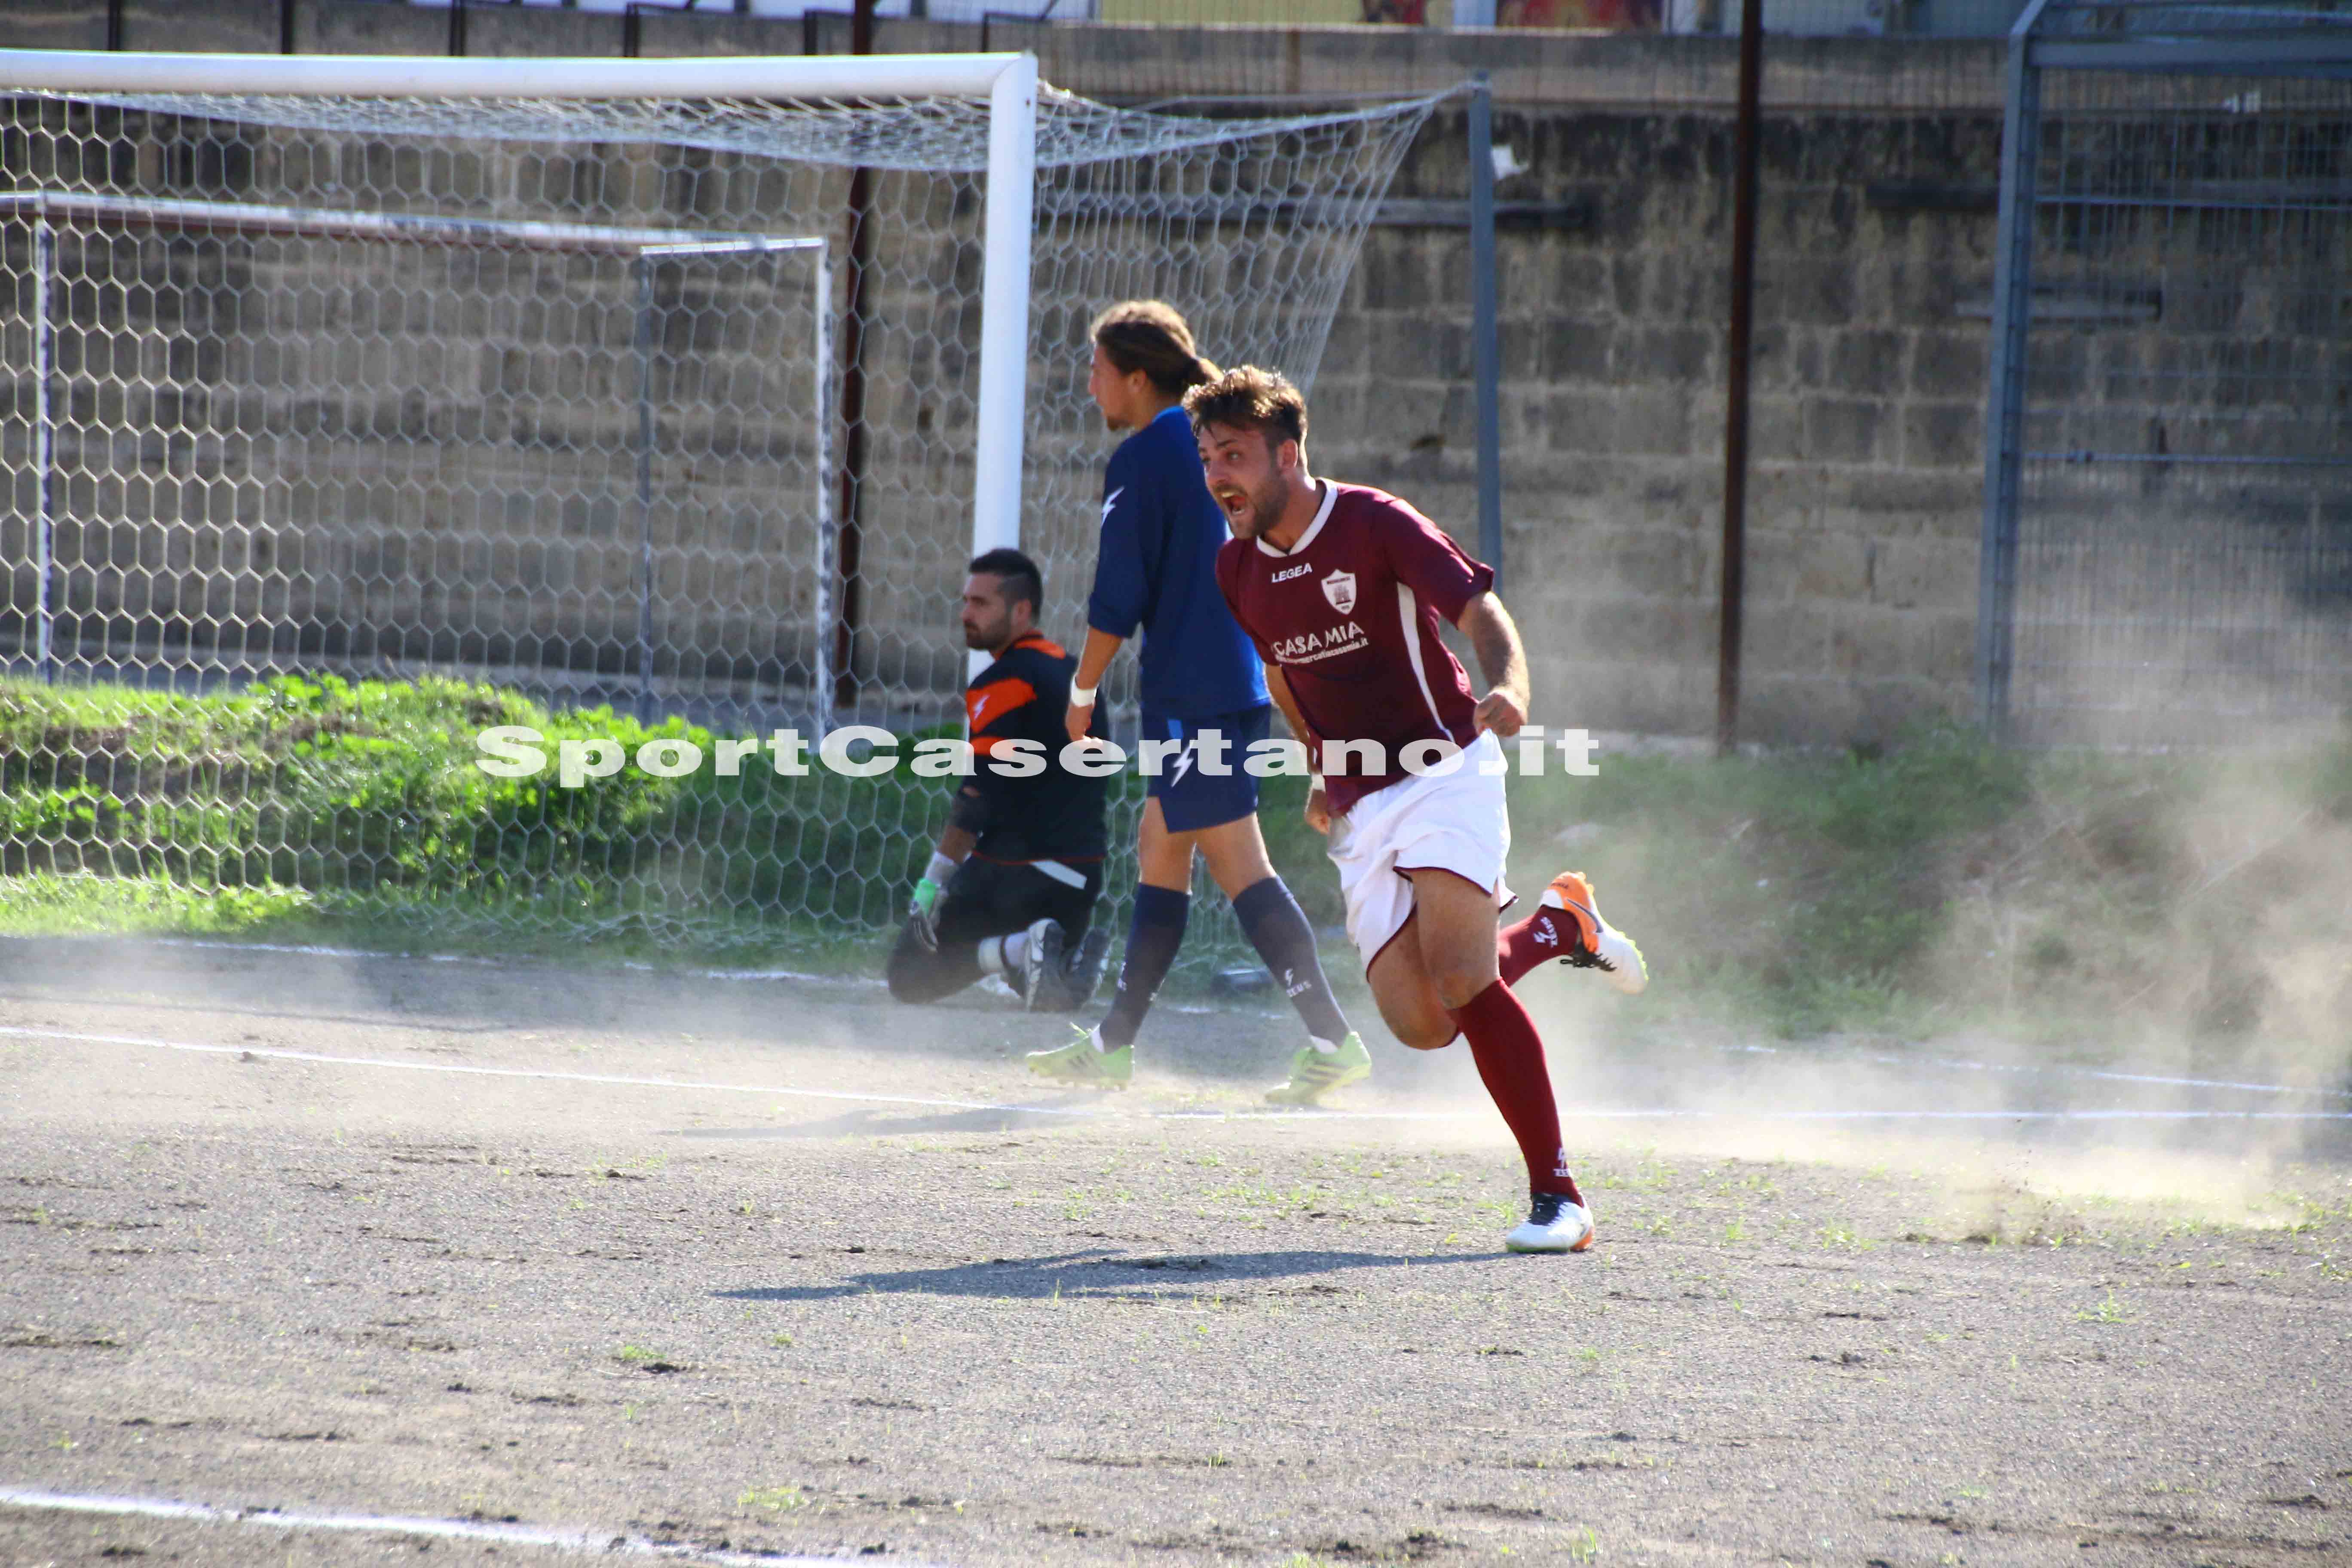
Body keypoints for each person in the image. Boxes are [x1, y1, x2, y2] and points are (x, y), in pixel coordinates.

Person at [1191, 365, 1649, 1253]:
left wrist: (1510, 685)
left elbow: (1478, 608)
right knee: (1424, 1023)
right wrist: (1320, 762)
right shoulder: (1235, 566)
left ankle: (1560, 1198)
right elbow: (1283, 671)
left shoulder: (1374, 522)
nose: (1218, 476)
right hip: (1363, 800)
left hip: (1447, 768)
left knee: (1461, 973)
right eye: (1209, 457)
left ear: (1286, 455)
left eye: (1234, 455)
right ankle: (1558, 927)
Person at [1021, 301, 1368, 1104]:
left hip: (1194, 690)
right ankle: (1112, 1045)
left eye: (1098, 370)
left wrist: (1081, 691)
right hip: (1232, 677)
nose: (1089, 386)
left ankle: (1332, 1039)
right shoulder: (1209, 441)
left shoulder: (1148, 453)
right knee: (1161, 844)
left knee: (1238, 862)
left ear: (1137, 377)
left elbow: (1118, 593)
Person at [886, 548, 1113, 1013]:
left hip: (1020, 877)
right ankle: (1064, 961)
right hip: (1081, 881)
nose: (966, 614)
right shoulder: (1080, 676)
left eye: (981, 603)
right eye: (966, 601)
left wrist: (931, 886)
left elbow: (977, 798)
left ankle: (1020, 947)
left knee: (908, 975)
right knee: (1042, 991)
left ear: (1021, 611)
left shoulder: (1004, 681)